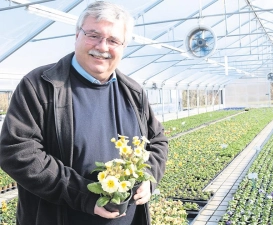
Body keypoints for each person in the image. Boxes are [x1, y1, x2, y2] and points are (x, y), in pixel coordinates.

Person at [0, 1, 168, 225]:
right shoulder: (41, 85)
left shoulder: (133, 92)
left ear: (124, 46)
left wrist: (150, 177)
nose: (102, 46)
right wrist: (84, 195)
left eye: (113, 40)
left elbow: (157, 140)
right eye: (93, 35)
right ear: (77, 35)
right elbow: (17, 151)